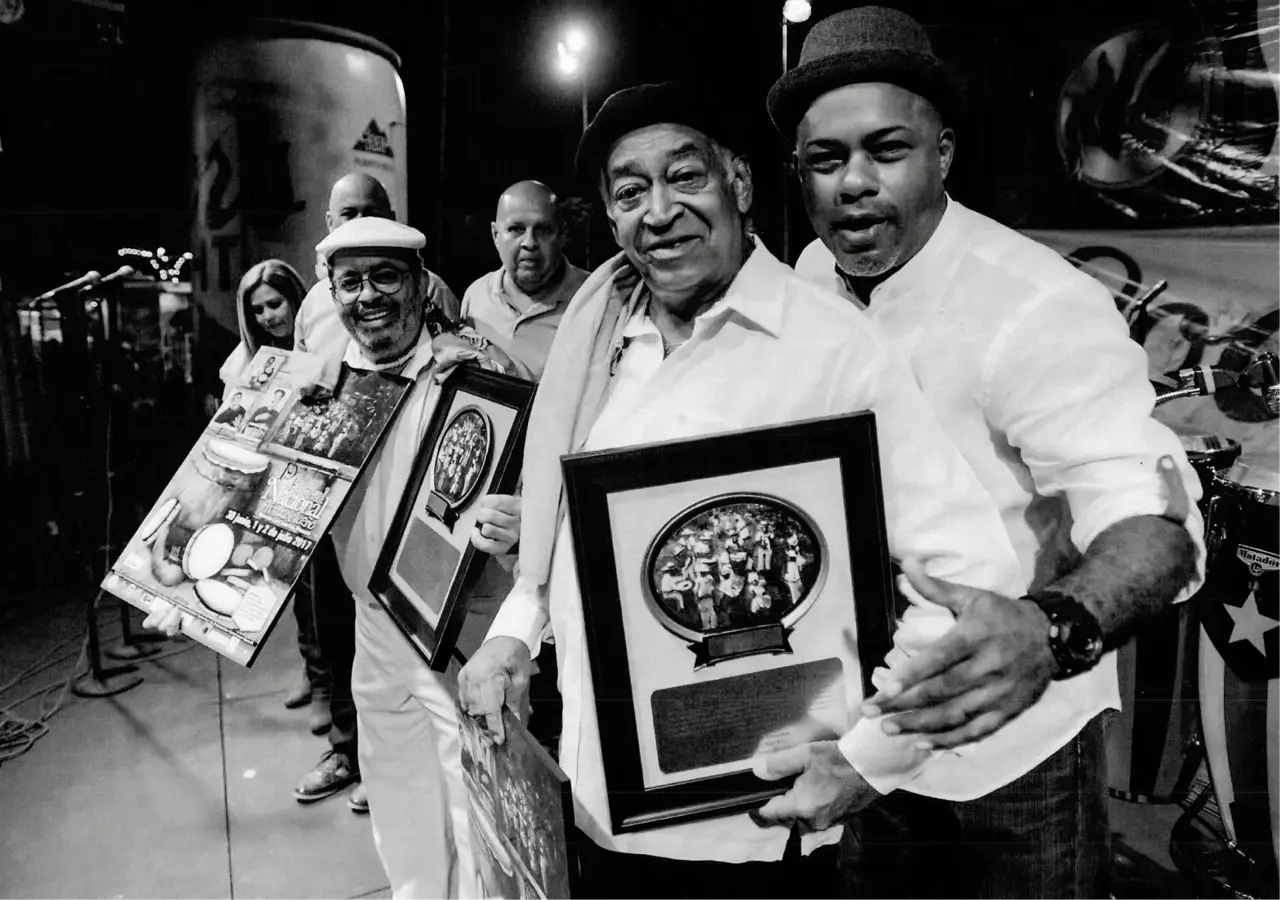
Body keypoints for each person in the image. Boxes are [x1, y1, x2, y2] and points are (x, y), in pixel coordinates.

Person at [456, 81, 1036, 900]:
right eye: (631, 193)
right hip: (589, 798)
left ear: (740, 185)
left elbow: (969, 579)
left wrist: (872, 760)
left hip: (749, 834)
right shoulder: (602, 338)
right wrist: (516, 630)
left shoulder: (829, 348)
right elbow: (570, 526)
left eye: (685, 178)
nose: (658, 212)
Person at [767, 7, 1204, 897]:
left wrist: (1054, 629)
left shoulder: (1033, 304)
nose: (854, 182)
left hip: (1009, 759)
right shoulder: (808, 280)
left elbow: (1157, 528)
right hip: (857, 733)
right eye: (826, 158)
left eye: (887, 149)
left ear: (944, 154)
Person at [149, 216, 520, 900]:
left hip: (462, 630)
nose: (367, 296)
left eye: (385, 277)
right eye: (351, 282)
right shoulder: (321, 385)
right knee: (399, 796)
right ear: (331, 293)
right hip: (374, 630)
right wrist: (185, 596)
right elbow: (249, 498)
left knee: (481, 811)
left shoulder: (471, 374)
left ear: (419, 285)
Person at [294, 172, 461, 362]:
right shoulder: (313, 302)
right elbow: (301, 374)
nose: (362, 223)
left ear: (390, 218)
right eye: (349, 214)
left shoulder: (429, 288)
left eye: (386, 277)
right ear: (330, 223)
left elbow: (452, 360)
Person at [459, 180, 589, 380]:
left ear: (562, 234)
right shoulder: (476, 296)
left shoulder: (593, 298)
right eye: (516, 229)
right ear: (496, 235)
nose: (529, 242)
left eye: (543, 230)